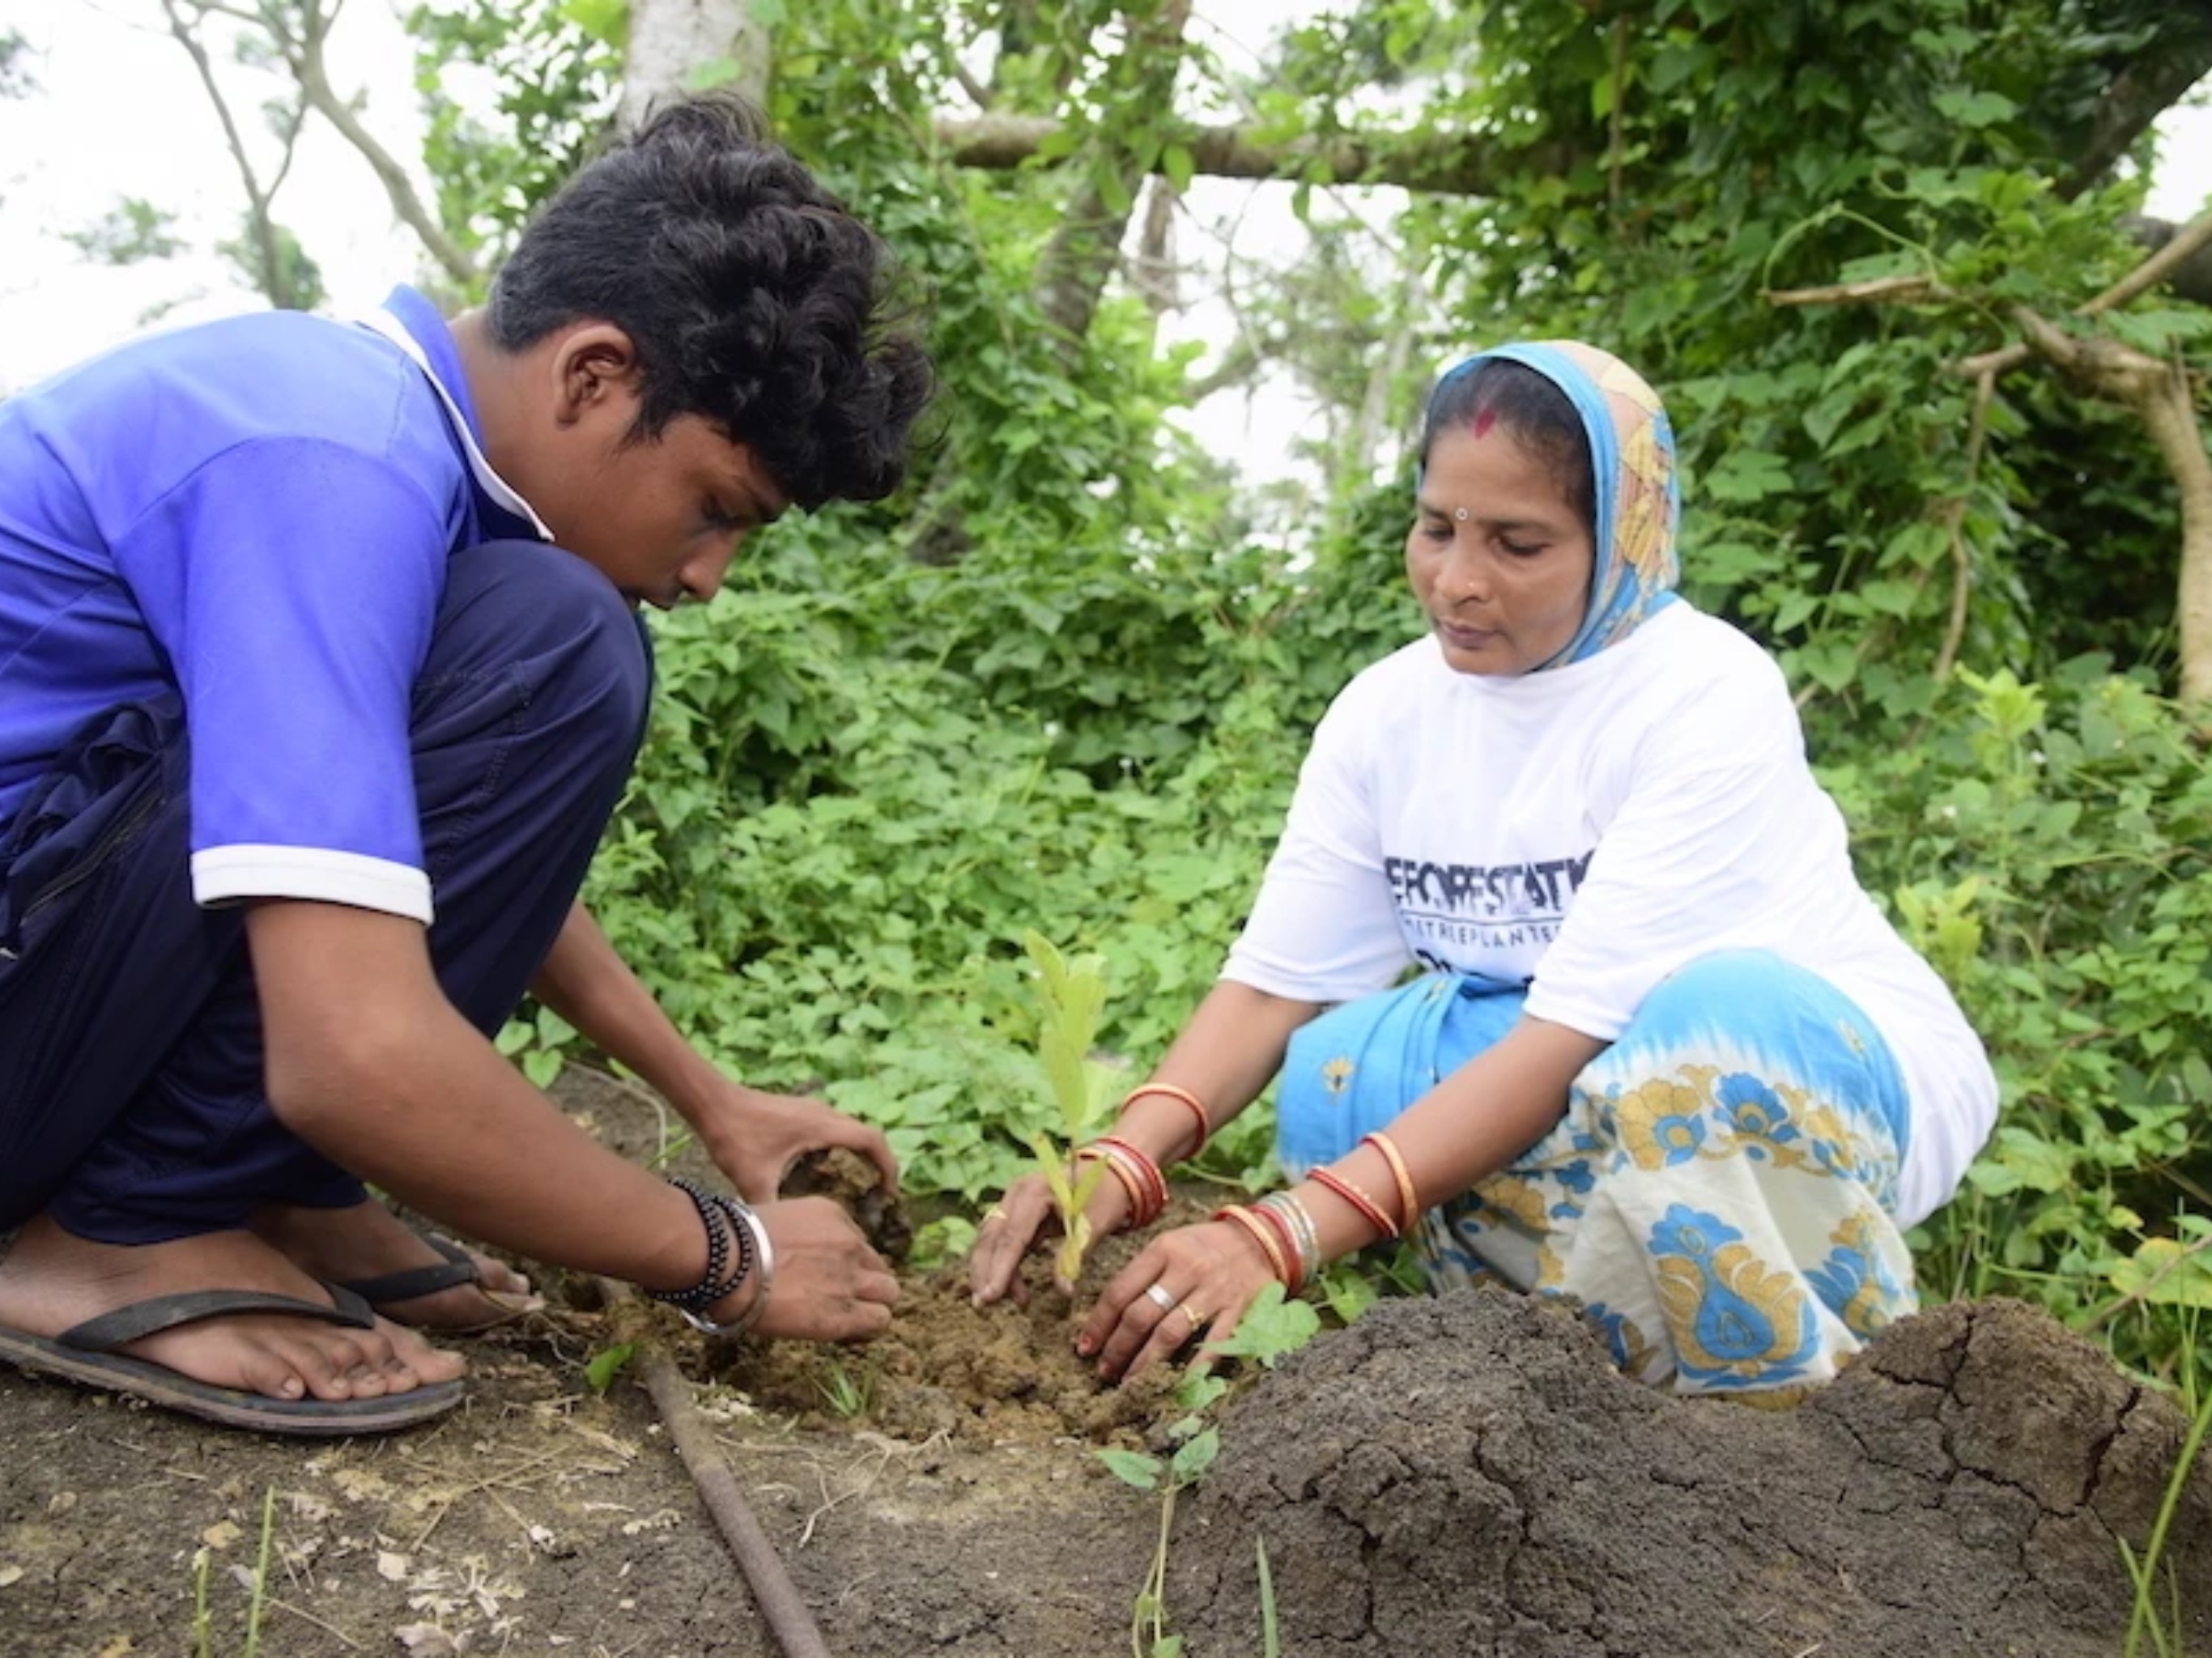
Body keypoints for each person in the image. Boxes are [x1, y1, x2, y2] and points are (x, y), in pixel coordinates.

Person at [0, 92, 932, 1435]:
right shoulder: (333, 458)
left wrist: (710, 1100)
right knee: (561, 638)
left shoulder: (386, 444)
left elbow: (379, 846)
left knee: (540, 631)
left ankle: (267, 1190)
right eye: (719, 510)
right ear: (595, 375)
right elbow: (351, 1051)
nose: (711, 578)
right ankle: (124, 1227)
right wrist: (729, 1256)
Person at [971, 340, 1998, 1399]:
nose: (1458, 581)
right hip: (1575, 1060)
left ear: (1624, 541)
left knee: (1705, 1045)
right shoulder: (1388, 712)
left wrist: (1279, 1237)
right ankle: (1596, 1334)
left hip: (1789, 1063)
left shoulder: (1701, 696)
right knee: (1339, 1076)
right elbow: (1281, 982)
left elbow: (1571, 1036)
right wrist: (1120, 1161)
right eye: (1436, 528)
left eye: (1518, 543)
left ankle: (1797, 1406)